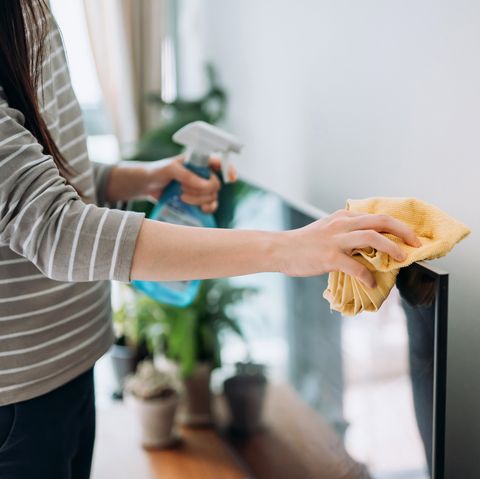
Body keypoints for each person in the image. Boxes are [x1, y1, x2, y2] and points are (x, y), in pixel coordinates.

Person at [0, 1, 421, 478]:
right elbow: (56, 228)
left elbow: (36, 174)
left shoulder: (30, 11)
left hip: (70, 362)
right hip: (18, 399)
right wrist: (285, 249)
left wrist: (136, 179)